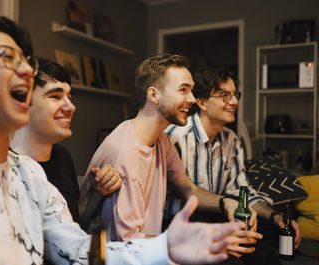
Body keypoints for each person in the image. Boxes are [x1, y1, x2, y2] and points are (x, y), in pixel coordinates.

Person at [0, 15, 242, 265]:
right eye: (6, 57)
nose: (24, 71)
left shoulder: (29, 175)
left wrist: (164, 248)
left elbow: (78, 250)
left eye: (26, 62)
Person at [79, 54, 255, 243]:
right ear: (154, 95)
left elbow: (189, 189)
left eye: (192, 90)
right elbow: (129, 242)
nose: (193, 99)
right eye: (183, 90)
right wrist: (201, 243)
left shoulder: (161, 140)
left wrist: (225, 203)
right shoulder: (126, 153)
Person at [165, 66, 297, 265]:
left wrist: (275, 217)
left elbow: (241, 190)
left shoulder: (230, 139)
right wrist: (224, 207)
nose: (234, 102)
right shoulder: (176, 136)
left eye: (235, 95)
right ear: (201, 102)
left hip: (221, 217)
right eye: (225, 95)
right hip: (181, 224)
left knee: (267, 254)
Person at [11, 58, 122, 224]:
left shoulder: (62, 157)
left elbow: (71, 227)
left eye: (69, 97)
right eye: (55, 96)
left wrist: (96, 193)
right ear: (24, 101)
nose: (70, 107)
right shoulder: (5, 165)